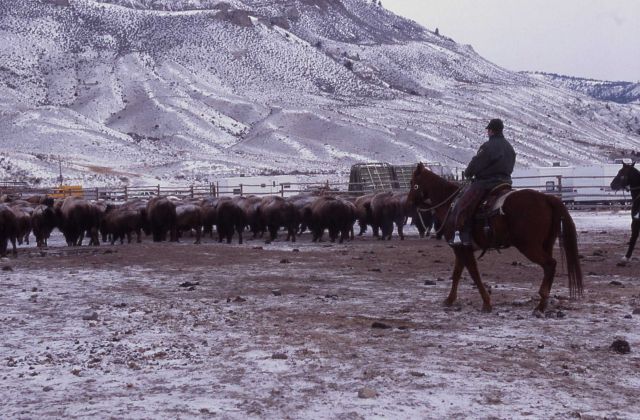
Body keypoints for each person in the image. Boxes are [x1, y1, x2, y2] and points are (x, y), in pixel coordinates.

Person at [450, 118, 516, 246]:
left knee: (464, 202)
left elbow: (476, 163)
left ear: (491, 131)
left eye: (488, 130)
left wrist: (469, 173)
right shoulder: (509, 147)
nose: (487, 132)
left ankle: (462, 234)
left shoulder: (488, 146)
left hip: (487, 182)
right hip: (506, 182)